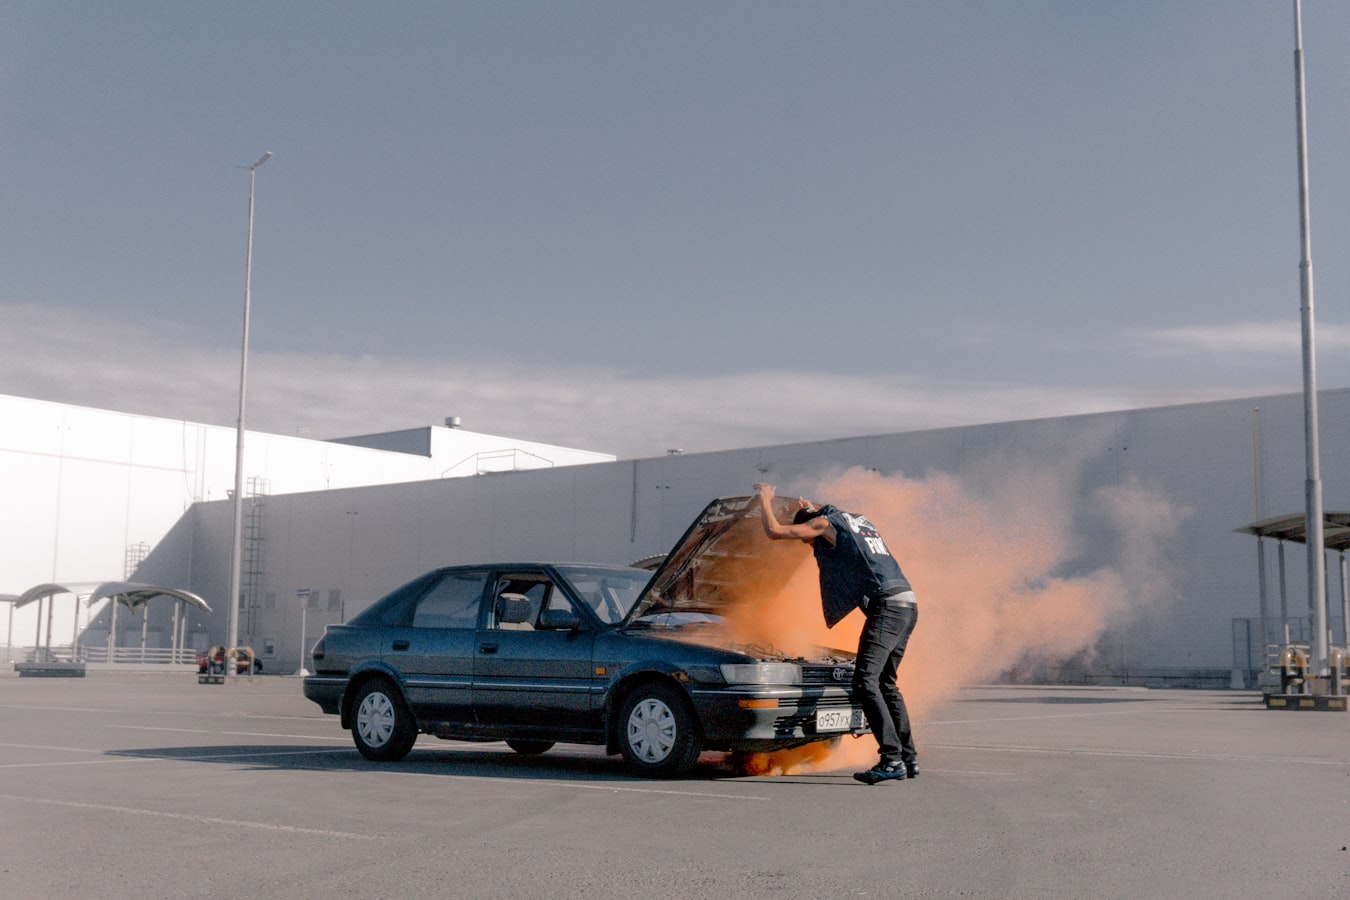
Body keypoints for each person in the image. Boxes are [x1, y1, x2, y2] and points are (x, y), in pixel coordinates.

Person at [753, 483, 919, 785]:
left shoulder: (822, 524)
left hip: (887, 606)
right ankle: (908, 757)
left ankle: (891, 759)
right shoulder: (855, 520)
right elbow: (822, 513)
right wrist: (809, 505)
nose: (811, 545)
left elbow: (775, 531)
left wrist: (765, 499)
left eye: (808, 541)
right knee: (886, 683)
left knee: (864, 680)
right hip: (907, 602)